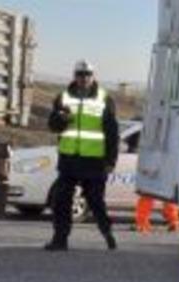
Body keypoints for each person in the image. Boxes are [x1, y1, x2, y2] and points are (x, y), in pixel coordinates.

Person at [44, 60, 119, 251]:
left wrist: (111, 160)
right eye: (80, 74)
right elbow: (53, 126)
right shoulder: (62, 97)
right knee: (60, 200)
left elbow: (112, 133)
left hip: (94, 160)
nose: (83, 78)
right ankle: (60, 240)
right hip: (69, 159)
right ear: (74, 76)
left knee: (95, 200)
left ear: (93, 76)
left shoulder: (104, 99)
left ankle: (107, 233)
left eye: (87, 74)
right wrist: (60, 119)